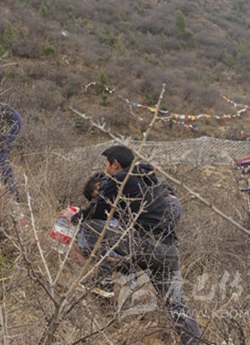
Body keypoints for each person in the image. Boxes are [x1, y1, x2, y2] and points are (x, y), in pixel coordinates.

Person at [59, 146, 203, 345]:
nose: (106, 169)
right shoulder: (146, 178)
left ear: (115, 164)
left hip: (144, 245)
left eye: (106, 164)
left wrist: (74, 217)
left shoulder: (120, 178)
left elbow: (97, 210)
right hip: (169, 251)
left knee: (90, 225)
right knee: (177, 306)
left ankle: (103, 281)